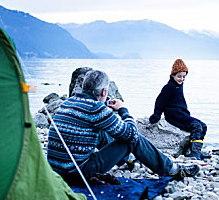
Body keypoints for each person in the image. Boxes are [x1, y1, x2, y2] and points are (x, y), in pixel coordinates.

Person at [47, 70, 199, 187]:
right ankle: (171, 170)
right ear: (103, 92)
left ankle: (126, 160)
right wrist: (123, 110)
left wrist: (106, 112)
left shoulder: (67, 103)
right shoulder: (95, 109)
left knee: (100, 131)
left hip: (57, 171)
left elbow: (92, 120)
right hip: (76, 174)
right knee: (132, 140)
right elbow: (131, 134)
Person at [149, 59, 211, 160]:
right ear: (173, 75)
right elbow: (160, 100)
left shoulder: (179, 85)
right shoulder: (169, 86)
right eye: (179, 76)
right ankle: (195, 153)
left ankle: (197, 152)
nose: (181, 79)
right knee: (196, 126)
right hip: (173, 115)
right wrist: (156, 115)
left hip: (181, 113)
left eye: (184, 76)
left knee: (203, 126)